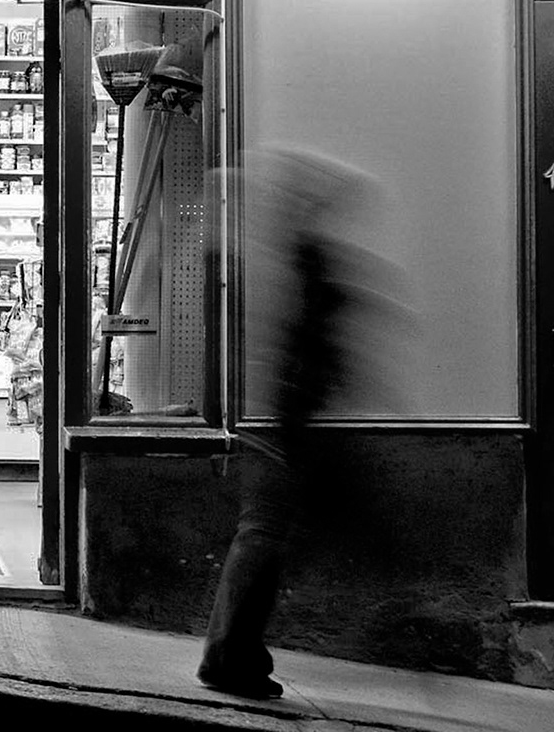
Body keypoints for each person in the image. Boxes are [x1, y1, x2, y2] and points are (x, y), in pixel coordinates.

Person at [198, 145, 400, 700]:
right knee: (263, 541)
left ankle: (231, 654)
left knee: (262, 539)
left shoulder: (280, 256)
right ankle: (230, 657)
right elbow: (307, 348)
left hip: (281, 425)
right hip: (286, 427)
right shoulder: (302, 259)